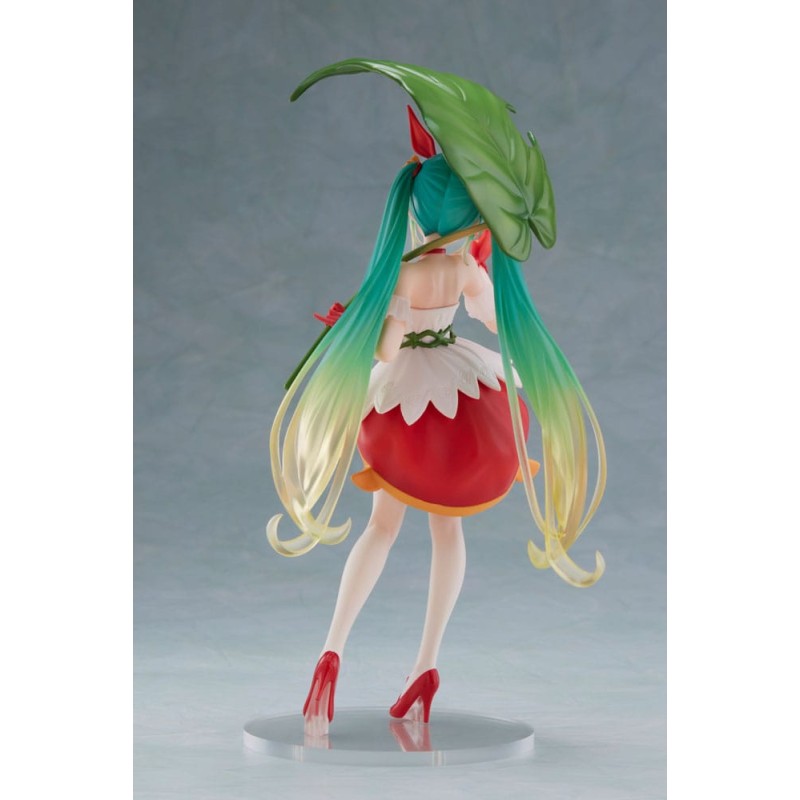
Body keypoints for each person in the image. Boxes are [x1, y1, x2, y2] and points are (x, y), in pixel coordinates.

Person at [269, 100, 606, 737]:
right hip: (461, 388)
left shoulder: (404, 275)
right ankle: (426, 665)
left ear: (416, 212)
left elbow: (387, 350)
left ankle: (331, 652)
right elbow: (496, 320)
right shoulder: (465, 267)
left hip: (409, 397)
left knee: (382, 527)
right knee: (447, 533)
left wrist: (352, 326)